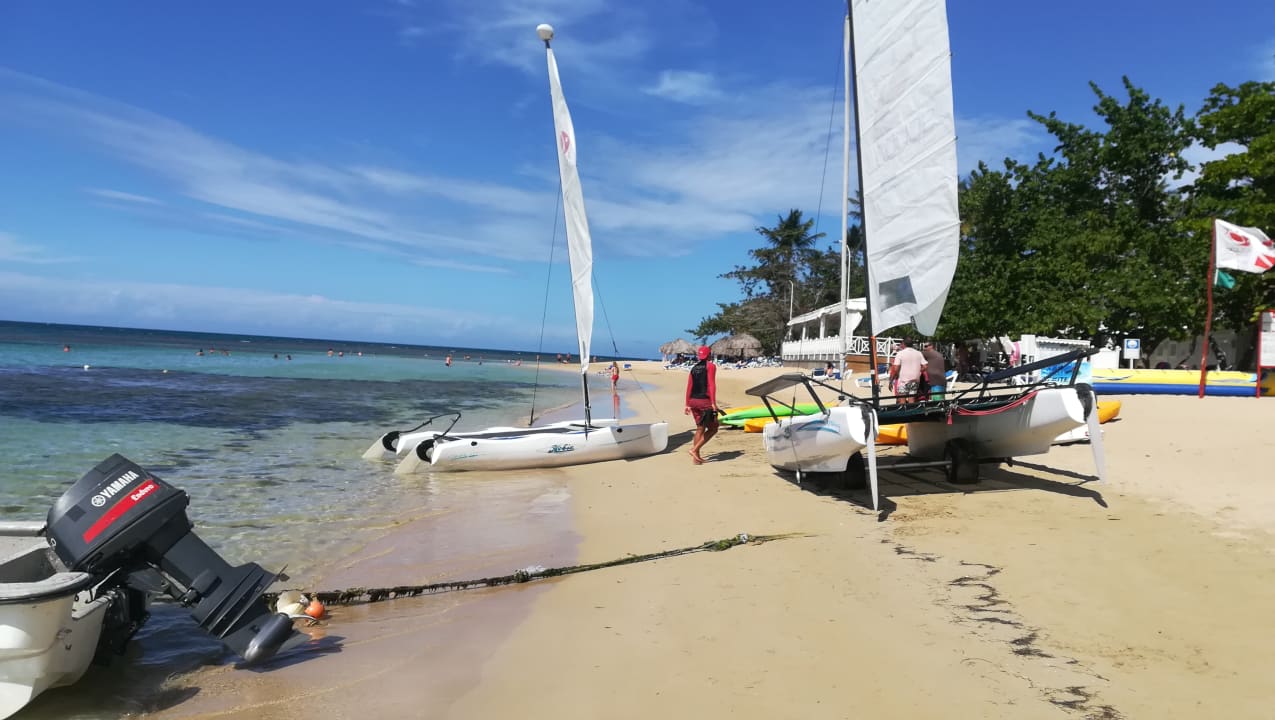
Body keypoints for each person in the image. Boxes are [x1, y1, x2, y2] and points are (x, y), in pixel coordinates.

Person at [684, 345, 720, 464]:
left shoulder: (693, 368)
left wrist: (687, 404)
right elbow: (711, 385)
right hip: (704, 401)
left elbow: (689, 387)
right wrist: (713, 403)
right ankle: (694, 450)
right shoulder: (711, 366)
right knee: (713, 428)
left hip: (693, 401)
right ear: (709, 355)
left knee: (700, 428)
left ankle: (696, 459)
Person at [888, 339, 928, 404]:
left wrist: (891, 380)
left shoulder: (900, 353)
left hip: (903, 381)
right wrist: (919, 371)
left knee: (902, 401)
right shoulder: (918, 353)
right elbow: (925, 366)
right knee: (911, 400)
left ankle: (904, 413)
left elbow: (896, 369)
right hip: (915, 380)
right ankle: (911, 413)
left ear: (903, 344)